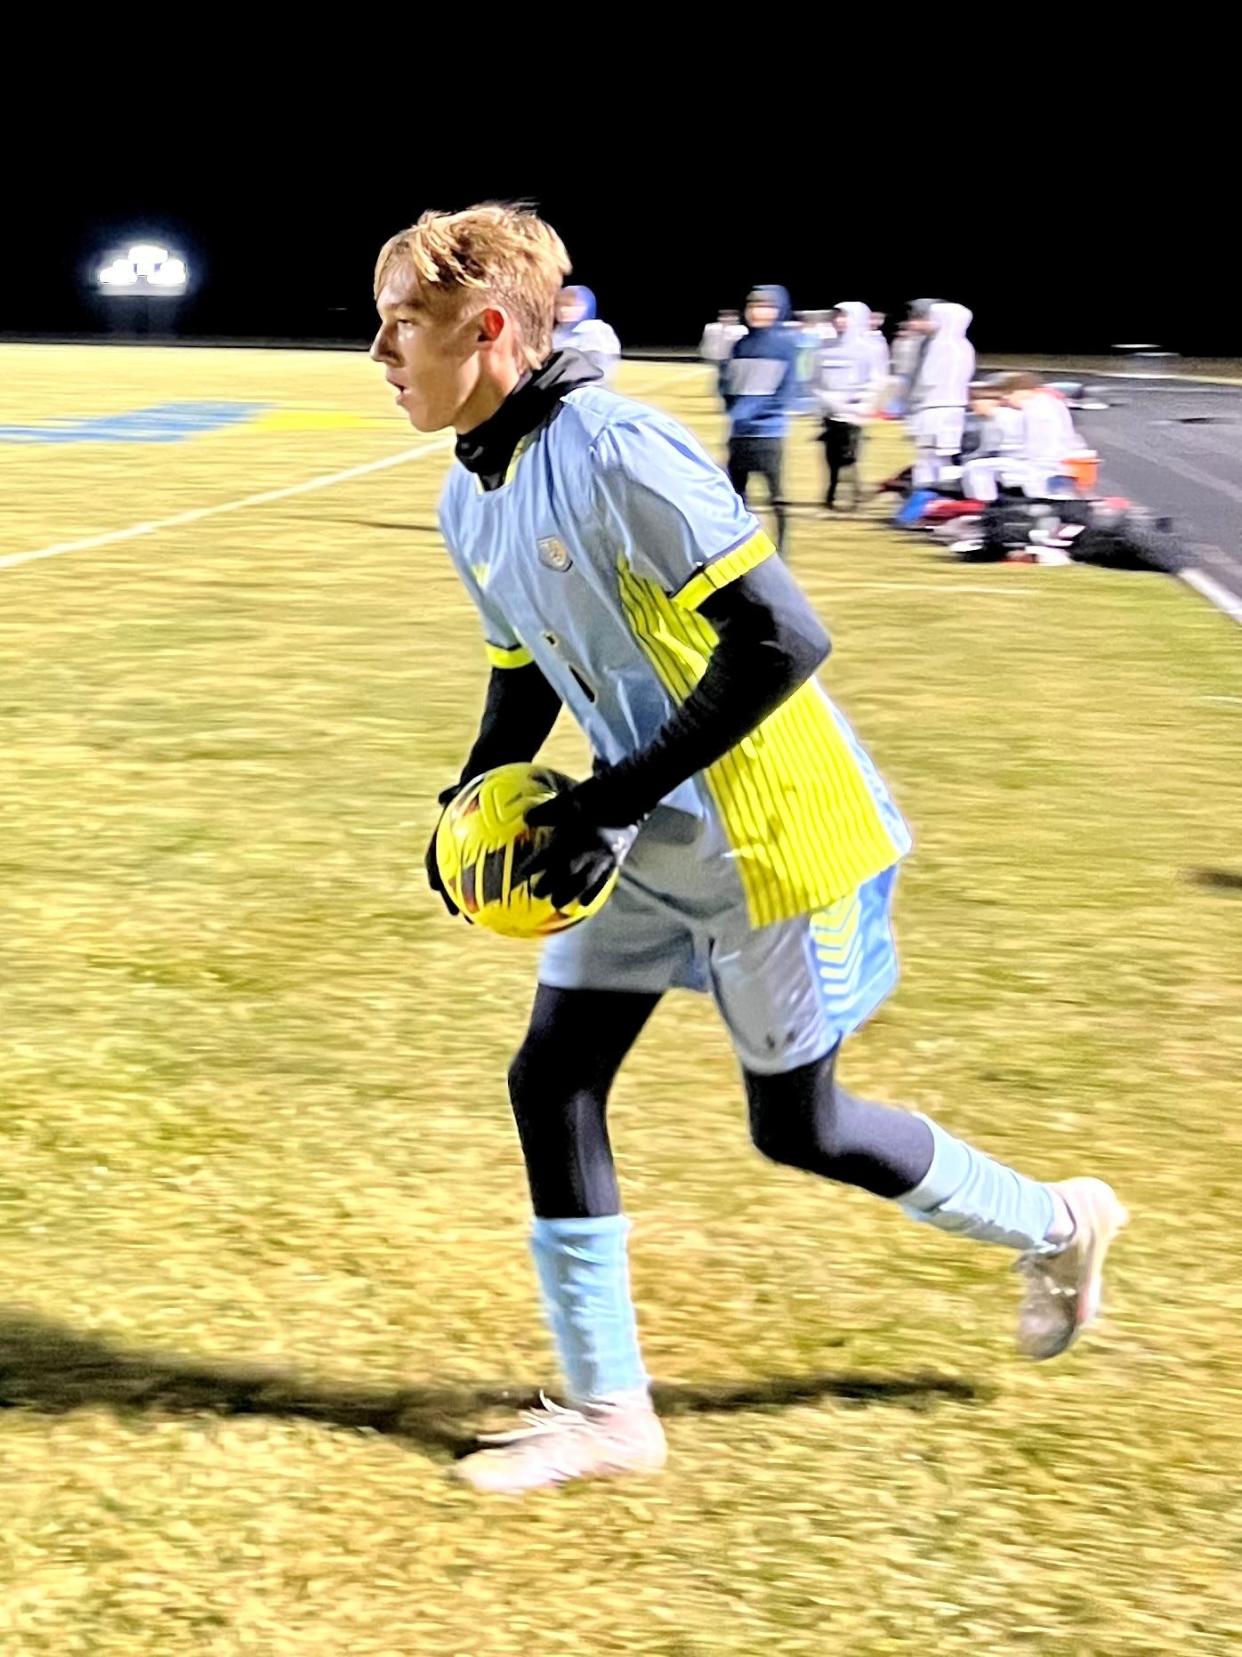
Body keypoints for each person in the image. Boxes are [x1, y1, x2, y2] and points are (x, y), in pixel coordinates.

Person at [370, 204, 1128, 1495]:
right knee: (551, 1079)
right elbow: (521, 671)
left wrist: (610, 799)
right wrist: (472, 798)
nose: (380, 353)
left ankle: (1057, 1220)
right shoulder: (470, 488)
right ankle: (612, 1414)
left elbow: (781, 639)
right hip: (643, 824)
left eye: (403, 326)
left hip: (767, 834)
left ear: (489, 330)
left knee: (802, 1126)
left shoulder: (615, 449)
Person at [719, 285, 801, 555]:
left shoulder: (784, 345)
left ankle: (782, 551)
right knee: (736, 496)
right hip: (738, 434)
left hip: (767, 433)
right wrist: (731, 407)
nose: (757, 312)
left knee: (775, 495)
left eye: (765, 306)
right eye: (753, 306)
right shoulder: (740, 344)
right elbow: (726, 384)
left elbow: (784, 392)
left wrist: (749, 414)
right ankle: (740, 549)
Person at [817, 300, 882, 510]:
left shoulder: (870, 348)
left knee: (850, 457)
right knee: (831, 458)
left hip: (854, 414)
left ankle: (853, 494)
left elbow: (877, 380)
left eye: (844, 316)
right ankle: (832, 493)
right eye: (836, 316)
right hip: (830, 412)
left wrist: (862, 405)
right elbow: (815, 379)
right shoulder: (825, 347)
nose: (839, 321)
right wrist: (825, 401)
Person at [907, 301, 976, 486]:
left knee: (926, 455)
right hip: (953, 406)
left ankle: (926, 494)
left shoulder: (941, 346)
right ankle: (939, 493)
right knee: (943, 456)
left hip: (934, 408)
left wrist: (912, 402)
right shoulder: (962, 344)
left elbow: (927, 380)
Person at [552, 284, 621, 382]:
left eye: (570, 306)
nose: (563, 310)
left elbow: (600, 370)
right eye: (560, 305)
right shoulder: (556, 332)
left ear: (586, 307)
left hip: (588, 388)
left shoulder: (595, 330)